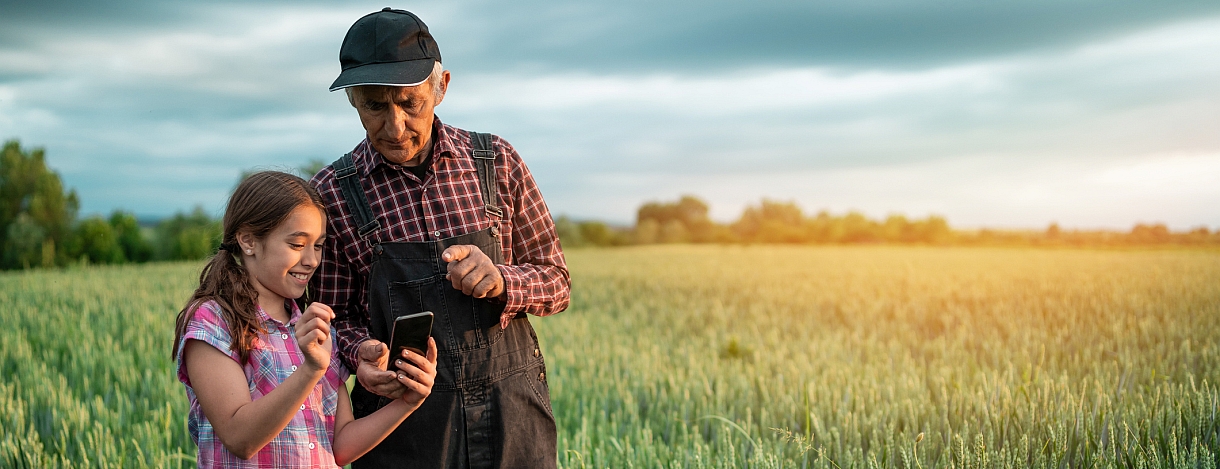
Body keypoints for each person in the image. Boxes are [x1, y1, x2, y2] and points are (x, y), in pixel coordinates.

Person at [310, 8, 571, 469]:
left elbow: (557, 281)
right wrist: (360, 355)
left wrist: (503, 281)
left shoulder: (497, 162)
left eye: (410, 103)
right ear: (353, 100)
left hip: (512, 415)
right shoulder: (332, 193)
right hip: (403, 429)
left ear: (441, 86)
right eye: (374, 105)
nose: (394, 127)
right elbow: (330, 319)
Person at [173, 171, 439, 468]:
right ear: (248, 241)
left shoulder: (314, 326)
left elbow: (340, 445)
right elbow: (240, 438)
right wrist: (311, 369)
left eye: (319, 245)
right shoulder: (213, 320)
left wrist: (407, 402)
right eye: (297, 245)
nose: (312, 260)